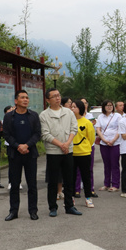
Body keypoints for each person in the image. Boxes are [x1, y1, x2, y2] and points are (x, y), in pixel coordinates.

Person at [39, 88, 81, 217]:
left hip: (68, 150)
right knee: (53, 181)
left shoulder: (68, 112)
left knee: (69, 179)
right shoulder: (44, 115)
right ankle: (53, 207)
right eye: (54, 96)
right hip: (53, 152)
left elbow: (74, 128)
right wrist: (61, 145)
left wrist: (67, 143)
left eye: (58, 95)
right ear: (48, 100)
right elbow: (45, 134)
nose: (58, 98)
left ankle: (69, 206)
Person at [3, 90, 41, 220]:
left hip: (30, 154)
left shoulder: (33, 115)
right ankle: (13, 211)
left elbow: (37, 133)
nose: (25, 100)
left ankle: (33, 211)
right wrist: (18, 146)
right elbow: (6, 134)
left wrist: (27, 145)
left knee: (32, 184)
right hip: (15, 154)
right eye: (22, 97)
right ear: (16, 101)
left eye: (27, 98)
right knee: (14, 184)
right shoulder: (9, 116)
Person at [71, 100, 96, 208]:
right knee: (71, 177)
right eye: (71, 107)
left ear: (80, 108)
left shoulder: (87, 122)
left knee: (86, 176)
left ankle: (88, 198)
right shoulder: (69, 122)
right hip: (71, 153)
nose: (72, 109)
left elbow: (91, 138)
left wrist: (85, 147)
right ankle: (71, 198)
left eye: (74, 107)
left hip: (84, 153)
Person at [95, 99, 120, 192]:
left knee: (114, 164)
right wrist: (104, 140)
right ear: (104, 107)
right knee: (106, 164)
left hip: (115, 142)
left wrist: (113, 140)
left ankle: (115, 184)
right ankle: (106, 184)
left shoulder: (117, 116)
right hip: (104, 143)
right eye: (107, 105)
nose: (109, 107)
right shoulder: (100, 117)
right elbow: (98, 129)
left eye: (111, 105)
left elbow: (119, 129)